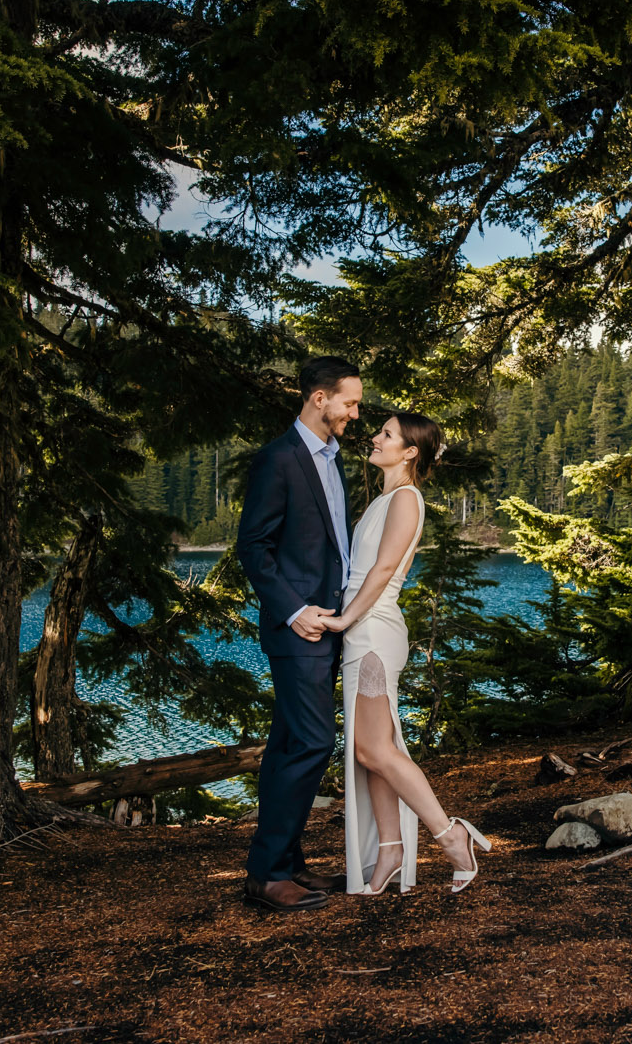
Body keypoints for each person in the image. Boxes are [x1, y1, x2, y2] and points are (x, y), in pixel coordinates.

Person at [318, 410, 490, 895]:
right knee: (368, 750)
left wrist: (344, 620)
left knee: (374, 748)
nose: (375, 437)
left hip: (372, 632)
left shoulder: (408, 499)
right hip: (361, 631)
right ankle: (389, 850)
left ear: (410, 452)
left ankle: (451, 836)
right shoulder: (386, 498)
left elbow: (384, 569)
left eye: (387, 434)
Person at [235, 356, 361, 913]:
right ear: (318, 398)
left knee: (289, 742)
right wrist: (293, 612)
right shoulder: (278, 459)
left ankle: (288, 863)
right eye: (349, 402)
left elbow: (331, 545)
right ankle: (266, 874)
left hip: (331, 626)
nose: (355, 413)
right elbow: (253, 548)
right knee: (312, 742)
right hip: (299, 631)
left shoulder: (332, 460)